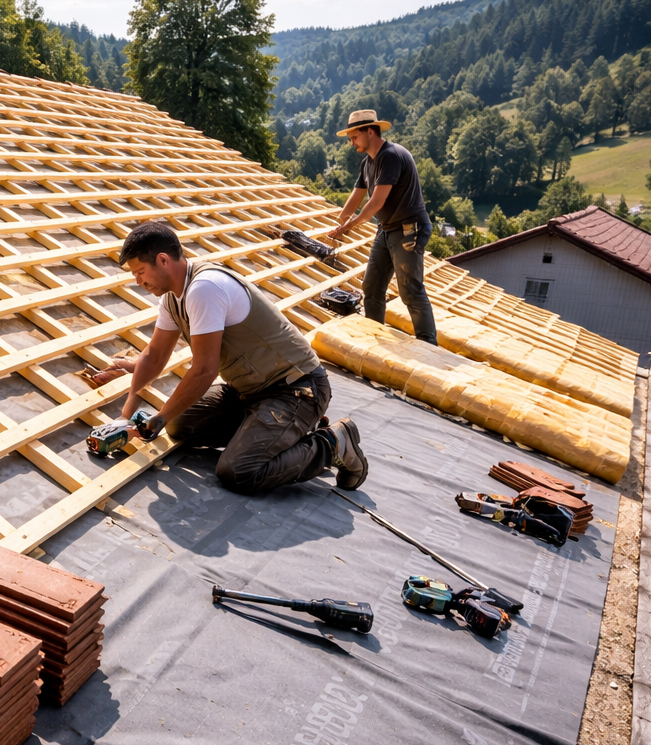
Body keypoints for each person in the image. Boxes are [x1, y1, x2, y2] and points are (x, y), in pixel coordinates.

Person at [93, 221, 368, 494]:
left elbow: (204, 370)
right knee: (178, 424)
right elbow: (154, 355)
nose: (138, 281)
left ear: (163, 260)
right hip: (248, 391)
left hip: (295, 389)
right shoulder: (171, 298)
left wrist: (159, 418)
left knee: (238, 471)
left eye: (141, 272)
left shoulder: (205, 289)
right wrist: (124, 418)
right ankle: (283, 434)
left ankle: (331, 443)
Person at [327, 109, 438, 345]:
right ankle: (374, 334)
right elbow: (356, 198)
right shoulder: (368, 163)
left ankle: (429, 345)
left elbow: (376, 201)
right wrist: (338, 224)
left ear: (370, 131)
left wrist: (350, 226)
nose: (351, 143)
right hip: (387, 229)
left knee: (410, 291)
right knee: (372, 285)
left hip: (409, 229)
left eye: (354, 137)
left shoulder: (390, 156)